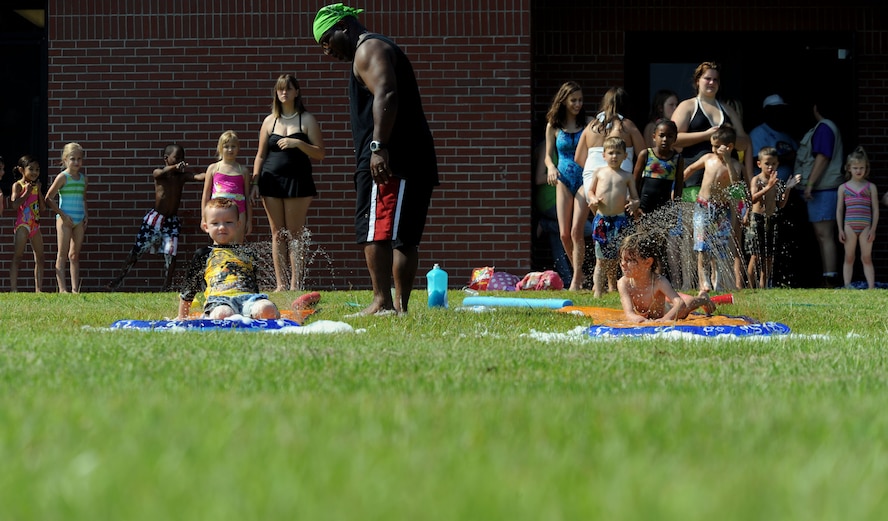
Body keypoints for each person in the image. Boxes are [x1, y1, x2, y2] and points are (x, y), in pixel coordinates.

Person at [314, 3, 439, 315]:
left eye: (327, 41)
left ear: (344, 25)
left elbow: (386, 93)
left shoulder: (367, 49)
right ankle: (400, 307)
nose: (328, 52)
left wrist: (377, 147)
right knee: (404, 237)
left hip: (389, 160)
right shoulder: (380, 45)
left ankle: (382, 303)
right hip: (413, 155)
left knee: (376, 231)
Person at [251, 74, 326, 292]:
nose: (284, 93)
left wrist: (297, 143)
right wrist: (255, 182)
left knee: (294, 232)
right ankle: (280, 284)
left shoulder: (307, 119)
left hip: (298, 181)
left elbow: (320, 153)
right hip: (270, 181)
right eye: (280, 89)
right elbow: (260, 155)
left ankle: (295, 284)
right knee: (277, 233)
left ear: (296, 92)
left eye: (288, 89)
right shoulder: (269, 121)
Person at [106, 144, 206, 291]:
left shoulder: (181, 177)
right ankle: (117, 280)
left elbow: (197, 177)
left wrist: (213, 171)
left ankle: (166, 286)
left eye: (182, 158)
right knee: (137, 251)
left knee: (171, 253)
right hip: (155, 220)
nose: (180, 162)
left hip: (171, 222)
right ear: (166, 159)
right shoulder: (159, 173)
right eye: (177, 158)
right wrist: (174, 167)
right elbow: (159, 173)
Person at [177, 197, 279, 320]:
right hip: (219, 301)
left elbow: (253, 284)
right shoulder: (203, 254)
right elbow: (189, 288)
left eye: (228, 222)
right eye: (215, 223)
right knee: (223, 314)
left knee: (266, 309)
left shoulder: (247, 253)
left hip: (249, 299)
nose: (222, 227)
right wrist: (182, 317)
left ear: (238, 224)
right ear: (206, 226)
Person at [672, 62, 749, 193]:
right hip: (695, 180)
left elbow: (744, 142)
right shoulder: (687, 106)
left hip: (728, 182)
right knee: (695, 214)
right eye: (707, 78)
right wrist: (705, 135)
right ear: (697, 81)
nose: (712, 83)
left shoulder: (728, 110)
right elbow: (673, 138)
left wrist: (727, 139)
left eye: (715, 80)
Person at [683, 126, 742, 293]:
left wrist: (728, 160)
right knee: (701, 246)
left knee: (720, 247)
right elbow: (690, 169)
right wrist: (677, 186)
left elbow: (736, 184)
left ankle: (718, 280)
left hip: (722, 210)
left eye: (717, 146)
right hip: (703, 206)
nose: (713, 149)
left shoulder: (735, 165)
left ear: (729, 147)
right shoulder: (708, 158)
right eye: (712, 145)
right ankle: (704, 280)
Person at [794, 96, 844, 288]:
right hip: (824, 190)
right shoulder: (828, 127)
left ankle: (830, 279)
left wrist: (810, 184)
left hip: (824, 190)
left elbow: (822, 157)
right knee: (823, 235)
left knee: (825, 235)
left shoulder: (824, 127)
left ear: (816, 108)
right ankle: (827, 276)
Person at [544, 81, 588, 290]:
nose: (578, 104)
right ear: (564, 101)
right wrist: (551, 167)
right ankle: (579, 274)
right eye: (573, 100)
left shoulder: (588, 123)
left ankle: (577, 280)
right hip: (562, 178)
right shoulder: (553, 126)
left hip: (583, 180)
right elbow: (546, 157)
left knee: (576, 232)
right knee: (563, 234)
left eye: (580, 100)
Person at [633, 118, 685, 288]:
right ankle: (641, 279)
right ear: (654, 136)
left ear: (675, 139)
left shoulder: (677, 159)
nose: (665, 140)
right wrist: (636, 205)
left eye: (670, 136)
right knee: (643, 243)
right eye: (661, 135)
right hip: (645, 208)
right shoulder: (646, 155)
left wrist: (674, 208)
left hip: (664, 209)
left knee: (660, 247)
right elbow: (635, 182)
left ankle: (658, 280)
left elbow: (678, 187)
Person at [617, 232, 715, 323]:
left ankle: (703, 299)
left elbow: (680, 304)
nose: (622, 264)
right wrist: (641, 321)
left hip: (668, 313)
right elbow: (629, 313)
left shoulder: (659, 282)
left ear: (648, 262)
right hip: (652, 317)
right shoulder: (624, 283)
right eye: (622, 259)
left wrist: (665, 319)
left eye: (629, 260)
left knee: (686, 306)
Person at [587, 136, 640, 297]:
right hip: (602, 220)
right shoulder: (599, 172)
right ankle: (598, 292)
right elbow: (590, 191)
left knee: (621, 257)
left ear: (625, 156)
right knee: (600, 259)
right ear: (604, 155)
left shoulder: (627, 176)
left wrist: (633, 204)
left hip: (620, 220)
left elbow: (636, 198)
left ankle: (625, 290)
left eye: (618, 153)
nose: (614, 156)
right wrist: (593, 198)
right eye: (610, 153)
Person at [575, 87, 646, 207]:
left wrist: (598, 172)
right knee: (618, 221)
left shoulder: (591, 126)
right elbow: (644, 155)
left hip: (592, 182)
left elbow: (578, 158)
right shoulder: (627, 126)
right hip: (619, 180)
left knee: (600, 221)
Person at [745, 147, 800, 289]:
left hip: (771, 219)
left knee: (769, 256)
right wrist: (768, 187)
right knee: (755, 255)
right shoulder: (757, 180)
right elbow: (752, 199)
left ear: (778, 164)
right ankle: (750, 286)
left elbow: (780, 204)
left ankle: (764, 285)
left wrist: (787, 188)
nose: (770, 167)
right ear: (759, 164)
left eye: (773, 164)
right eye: (767, 163)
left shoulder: (777, 182)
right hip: (757, 219)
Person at [45, 142, 87, 293]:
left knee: (74, 255)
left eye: (79, 159)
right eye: (72, 159)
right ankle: (63, 289)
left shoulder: (83, 178)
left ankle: (75, 289)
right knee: (62, 254)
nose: (76, 162)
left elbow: (82, 198)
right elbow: (49, 198)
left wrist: (85, 214)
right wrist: (62, 214)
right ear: (65, 160)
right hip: (64, 220)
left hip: (79, 220)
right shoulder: (63, 177)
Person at [10, 155, 56, 292]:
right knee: (18, 256)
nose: (35, 172)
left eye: (37, 169)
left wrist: (39, 192)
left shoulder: (36, 186)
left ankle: (38, 289)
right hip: (23, 224)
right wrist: (26, 193)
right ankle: (13, 289)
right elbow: (13, 205)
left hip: (35, 225)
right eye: (31, 169)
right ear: (21, 170)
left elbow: (42, 208)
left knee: (40, 257)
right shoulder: (18, 185)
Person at [836, 146, 879, 289]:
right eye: (855, 168)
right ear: (848, 168)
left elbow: (875, 209)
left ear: (866, 168)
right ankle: (847, 285)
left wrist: (873, 229)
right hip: (849, 226)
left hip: (866, 226)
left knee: (866, 258)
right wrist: (840, 229)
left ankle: (871, 287)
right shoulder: (843, 188)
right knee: (849, 257)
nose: (858, 170)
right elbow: (840, 209)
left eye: (861, 167)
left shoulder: (870, 187)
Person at [203, 130, 251, 243]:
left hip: (239, 213)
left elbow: (247, 198)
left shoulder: (243, 171)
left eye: (233, 146)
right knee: (219, 245)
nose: (230, 150)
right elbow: (205, 195)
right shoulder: (213, 168)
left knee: (237, 245)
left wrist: (249, 220)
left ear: (238, 148)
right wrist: (203, 217)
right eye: (226, 146)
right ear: (220, 148)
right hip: (218, 213)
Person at [749, 94, 798, 182]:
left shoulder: (786, 134)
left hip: (787, 188)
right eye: (776, 110)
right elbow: (754, 160)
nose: (780, 113)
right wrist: (785, 158)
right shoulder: (758, 133)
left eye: (782, 110)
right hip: (767, 187)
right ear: (767, 112)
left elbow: (796, 156)